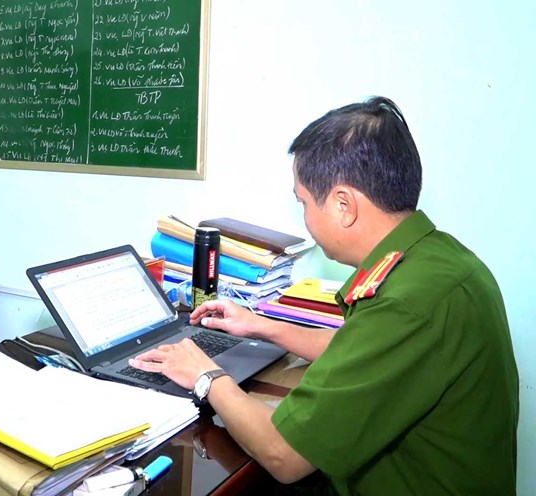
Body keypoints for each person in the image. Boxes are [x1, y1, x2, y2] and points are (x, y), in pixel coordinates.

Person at [129, 97, 519, 495]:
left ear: (343, 205)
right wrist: (263, 327)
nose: (305, 218)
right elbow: (362, 348)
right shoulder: (438, 260)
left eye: (303, 202)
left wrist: (205, 375)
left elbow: (284, 455)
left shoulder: (407, 304)